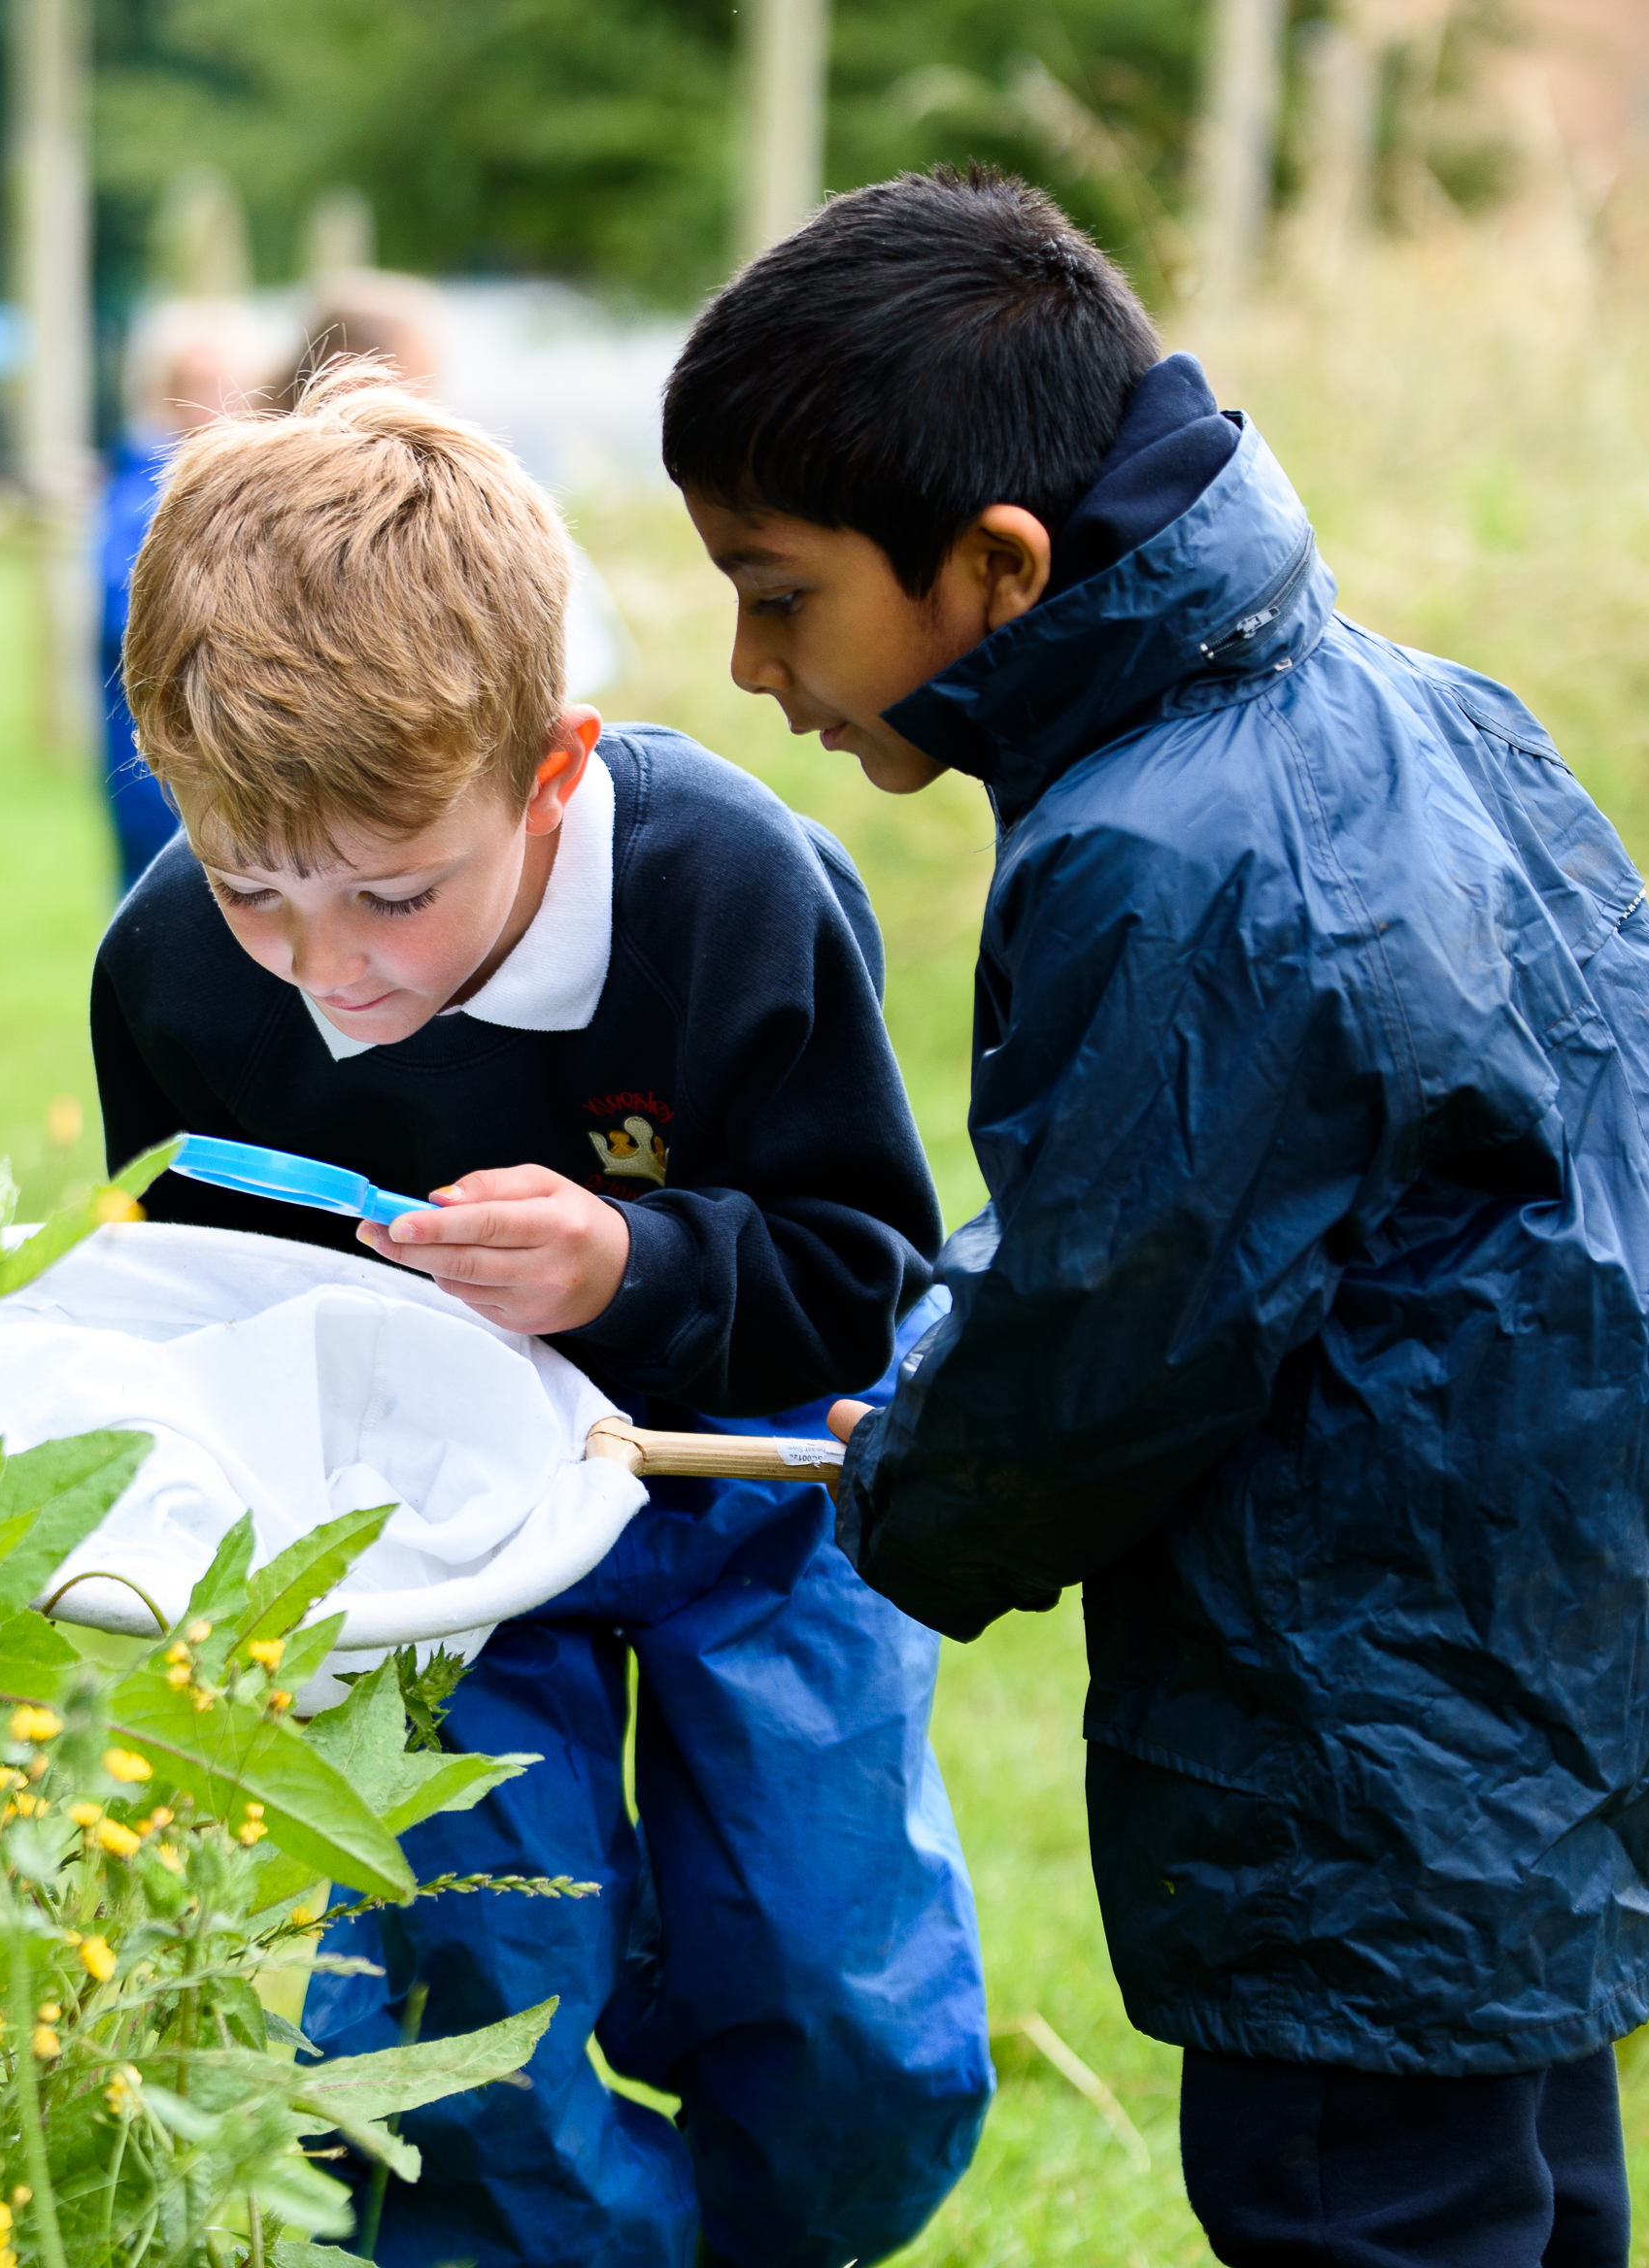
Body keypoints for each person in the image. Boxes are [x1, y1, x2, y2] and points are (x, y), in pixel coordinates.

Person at [664, 167, 1649, 2267]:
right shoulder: (1423, 708)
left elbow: (1105, 1334)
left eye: (779, 592)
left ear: (992, 568)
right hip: (1547, 1684)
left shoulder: (1166, 849)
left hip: (1350, 1743)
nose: (746, 662)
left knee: (1361, 2213)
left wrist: (910, 1484)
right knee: (1519, 2202)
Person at [93, 365, 992, 2268]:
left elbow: (870, 1270)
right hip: (435, 1554)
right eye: (260, 892)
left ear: (552, 772)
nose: (324, 974)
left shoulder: (732, 888)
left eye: (392, 893)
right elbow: (184, 1301)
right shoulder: (174, 964)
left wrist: (631, 1267)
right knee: (480, 2020)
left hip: (743, 1484)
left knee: (844, 2012)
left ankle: (766, 2191)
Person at [96, 298, 265, 889]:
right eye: (193, 383)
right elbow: (130, 613)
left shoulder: (255, 477)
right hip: (159, 730)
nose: (210, 400)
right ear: (162, 391)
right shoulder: (139, 487)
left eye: (223, 383)